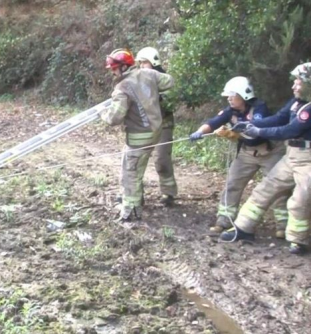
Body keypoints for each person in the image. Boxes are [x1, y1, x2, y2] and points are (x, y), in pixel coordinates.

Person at [220, 63, 311, 254]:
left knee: (301, 199)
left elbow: (289, 130)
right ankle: (244, 228)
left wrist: (258, 130)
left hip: (307, 160)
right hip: (291, 155)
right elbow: (279, 118)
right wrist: (249, 124)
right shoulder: (296, 102)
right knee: (264, 189)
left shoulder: (308, 109)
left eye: (299, 81)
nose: (294, 85)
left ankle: (298, 240)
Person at [189, 77, 288, 238]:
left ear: (244, 95)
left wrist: (233, 133)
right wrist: (200, 132)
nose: (229, 98)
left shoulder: (259, 108)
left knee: (279, 188)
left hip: (269, 152)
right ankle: (224, 220)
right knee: (233, 183)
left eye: (232, 95)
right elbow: (214, 122)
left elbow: (256, 132)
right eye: (228, 96)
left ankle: (283, 225)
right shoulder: (230, 111)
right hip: (247, 153)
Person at [100, 48, 174, 221]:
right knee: (136, 167)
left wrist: (103, 113)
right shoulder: (149, 74)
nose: (112, 71)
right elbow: (169, 81)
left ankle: (131, 212)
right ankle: (136, 200)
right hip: (156, 131)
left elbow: (114, 118)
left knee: (130, 172)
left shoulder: (122, 88)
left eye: (114, 67)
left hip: (139, 136)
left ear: (124, 67)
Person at [135, 47, 177, 206]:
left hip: (163, 125)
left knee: (161, 160)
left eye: (144, 62)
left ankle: (169, 193)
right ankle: (135, 195)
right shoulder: (137, 80)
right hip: (143, 127)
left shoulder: (165, 80)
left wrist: (154, 98)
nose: (142, 66)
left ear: (153, 62)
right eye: (140, 63)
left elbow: (169, 102)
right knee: (136, 161)